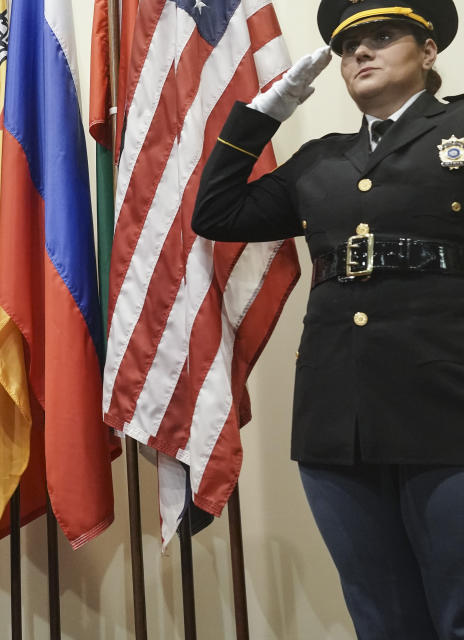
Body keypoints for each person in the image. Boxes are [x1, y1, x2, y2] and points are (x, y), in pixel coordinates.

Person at [192, 1, 463, 638]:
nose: (359, 54)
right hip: (339, 416)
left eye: (382, 37)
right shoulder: (321, 159)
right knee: (382, 620)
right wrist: (262, 116)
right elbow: (218, 216)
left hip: (449, 407)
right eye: (348, 48)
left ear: (428, 52)